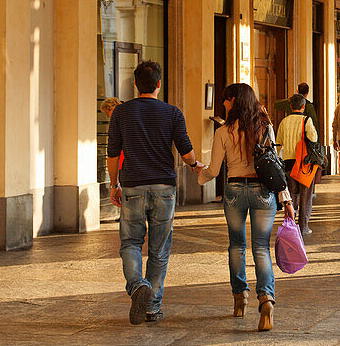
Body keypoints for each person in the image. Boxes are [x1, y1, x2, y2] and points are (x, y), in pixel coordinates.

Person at [107, 60, 202, 326]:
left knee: (130, 243)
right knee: (159, 249)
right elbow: (185, 151)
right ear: (159, 84)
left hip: (133, 186)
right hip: (164, 189)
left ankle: (137, 285)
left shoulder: (121, 113)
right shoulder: (172, 113)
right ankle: (152, 307)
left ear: (136, 85)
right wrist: (196, 165)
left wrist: (114, 184)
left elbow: (113, 153)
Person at [198, 83, 295, 331]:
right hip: (263, 191)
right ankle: (266, 301)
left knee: (236, 245)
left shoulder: (223, 131)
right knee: (261, 248)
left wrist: (199, 176)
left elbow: (213, 170)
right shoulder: (264, 126)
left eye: (226, 100)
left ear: (234, 100)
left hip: (234, 192)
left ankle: (240, 296)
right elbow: (274, 164)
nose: (224, 104)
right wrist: (286, 199)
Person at [276, 93, 319, 236]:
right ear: (303, 106)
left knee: (291, 195)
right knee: (306, 195)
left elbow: (278, 143)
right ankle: (303, 227)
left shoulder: (284, 121)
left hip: (288, 163)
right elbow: (313, 138)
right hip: (304, 163)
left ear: (290, 106)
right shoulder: (306, 120)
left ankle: (291, 224)